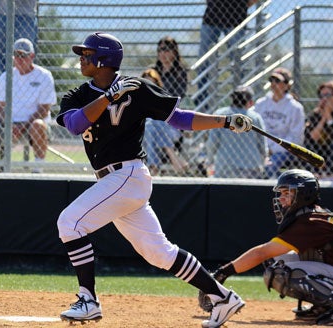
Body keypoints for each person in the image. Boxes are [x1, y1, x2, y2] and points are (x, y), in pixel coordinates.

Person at [55, 32, 253, 327]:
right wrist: (110, 97)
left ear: (104, 59)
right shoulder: (78, 95)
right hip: (114, 181)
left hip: (128, 174)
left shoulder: (137, 88)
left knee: (69, 223)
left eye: (87, 54)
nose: (82, 59)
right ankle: (222, 297)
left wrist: (223, 121)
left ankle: (88, 299)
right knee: (159, 253)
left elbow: (180, 118)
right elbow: (73, 125)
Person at [198, 169, 333, 326]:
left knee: (279, 272)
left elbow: (261, 253)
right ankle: (325, 306)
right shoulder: (311, 214)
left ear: (304, 194)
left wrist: (223, 272)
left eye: (287, 193)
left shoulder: (310, 221)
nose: (281, 198)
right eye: (281, 193)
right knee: (275, 262)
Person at [0, 38, 56, 173]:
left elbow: (44, 110)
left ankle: (38, 170)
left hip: (32, 128)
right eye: (16, 55)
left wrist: (22, 127)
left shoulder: (44, 76)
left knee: (38, 125)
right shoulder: (6, 76)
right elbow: (1, 107)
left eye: (23, 55)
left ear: (32, 56)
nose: (19, 59)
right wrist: (9, 126)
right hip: (8, 126)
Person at [196, 0, 258, 113]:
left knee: (238, 63)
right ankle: (202, 104)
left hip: (236, 18)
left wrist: (243, 4)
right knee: (203, 62)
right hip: (211, 17)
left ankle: (241, 102)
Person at [206, 85, 268, 178]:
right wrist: (263, 163)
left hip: (225, 167)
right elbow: (262, 146)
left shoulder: (221, 115)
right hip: (251, 167)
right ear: (250, 102)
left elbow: (212, 143)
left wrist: (209, 161)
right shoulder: (255, 118)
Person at [254, 67, 305, 178]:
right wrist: (265, 148)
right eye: (271, 80)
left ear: (287, 85)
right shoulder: (261, 103)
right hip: (261, 147)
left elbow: (296, 139)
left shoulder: (295, 108)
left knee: (269, 167)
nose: (273, 84)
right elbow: (255, 129)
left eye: (277, 81)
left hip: (283, 150)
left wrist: (273, 149)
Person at [0, 0, 38, 112]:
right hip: (3, 14)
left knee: (24, 63)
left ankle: (24, 109)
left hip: (26, 16)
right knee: (1, 64)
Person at [141, 68, 188, 175]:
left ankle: (153, 166)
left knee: (153, 124)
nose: (148, 88)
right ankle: (172, 154)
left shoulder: (163, 97)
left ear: (156, 85)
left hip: (170, 130)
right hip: (147, 133)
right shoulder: (136, 100)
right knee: (150, 127)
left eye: (151, 84)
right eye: (145, 84)